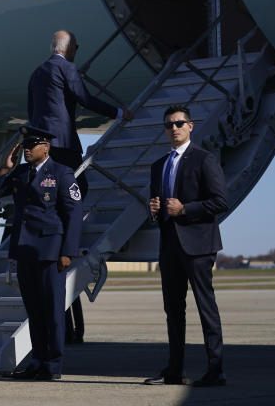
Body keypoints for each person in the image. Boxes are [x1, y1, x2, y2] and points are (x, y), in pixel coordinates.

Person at [27, 30, 132, 342]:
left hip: (42, 142)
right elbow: (84, 98)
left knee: (52, 191)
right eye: (76, 46)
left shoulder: (37, 72)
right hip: (63, 141)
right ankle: (66, 234)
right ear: (69, 48)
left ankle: (57, 227)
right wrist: (118, 113)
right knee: (78, 188)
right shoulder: (66, 68)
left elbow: (33, 108)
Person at [0, 125, 81, 381]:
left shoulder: (61, 173)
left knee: (53, 312)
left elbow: (73, 213)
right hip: (25, 250)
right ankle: (37, 361)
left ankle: (53, 365)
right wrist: (5, 168)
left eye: (31, 146)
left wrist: (67, 251)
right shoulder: (21, 173)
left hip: (50, 251)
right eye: (25, 146)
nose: (26, 150)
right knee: (34, 311)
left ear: (46, 147)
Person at [145, 105, 228, 388]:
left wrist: (185, 209)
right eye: (169, 125)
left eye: (179, 123)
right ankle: (174, 370)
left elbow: (220, 201)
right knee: (173, 310)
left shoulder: (204, 160)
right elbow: (157, 206)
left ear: (190, 126)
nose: (174, 128)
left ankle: (215, 370)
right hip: (169, 245)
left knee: (206, 307)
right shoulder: (159, 165)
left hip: (198, 244)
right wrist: (154, 208)